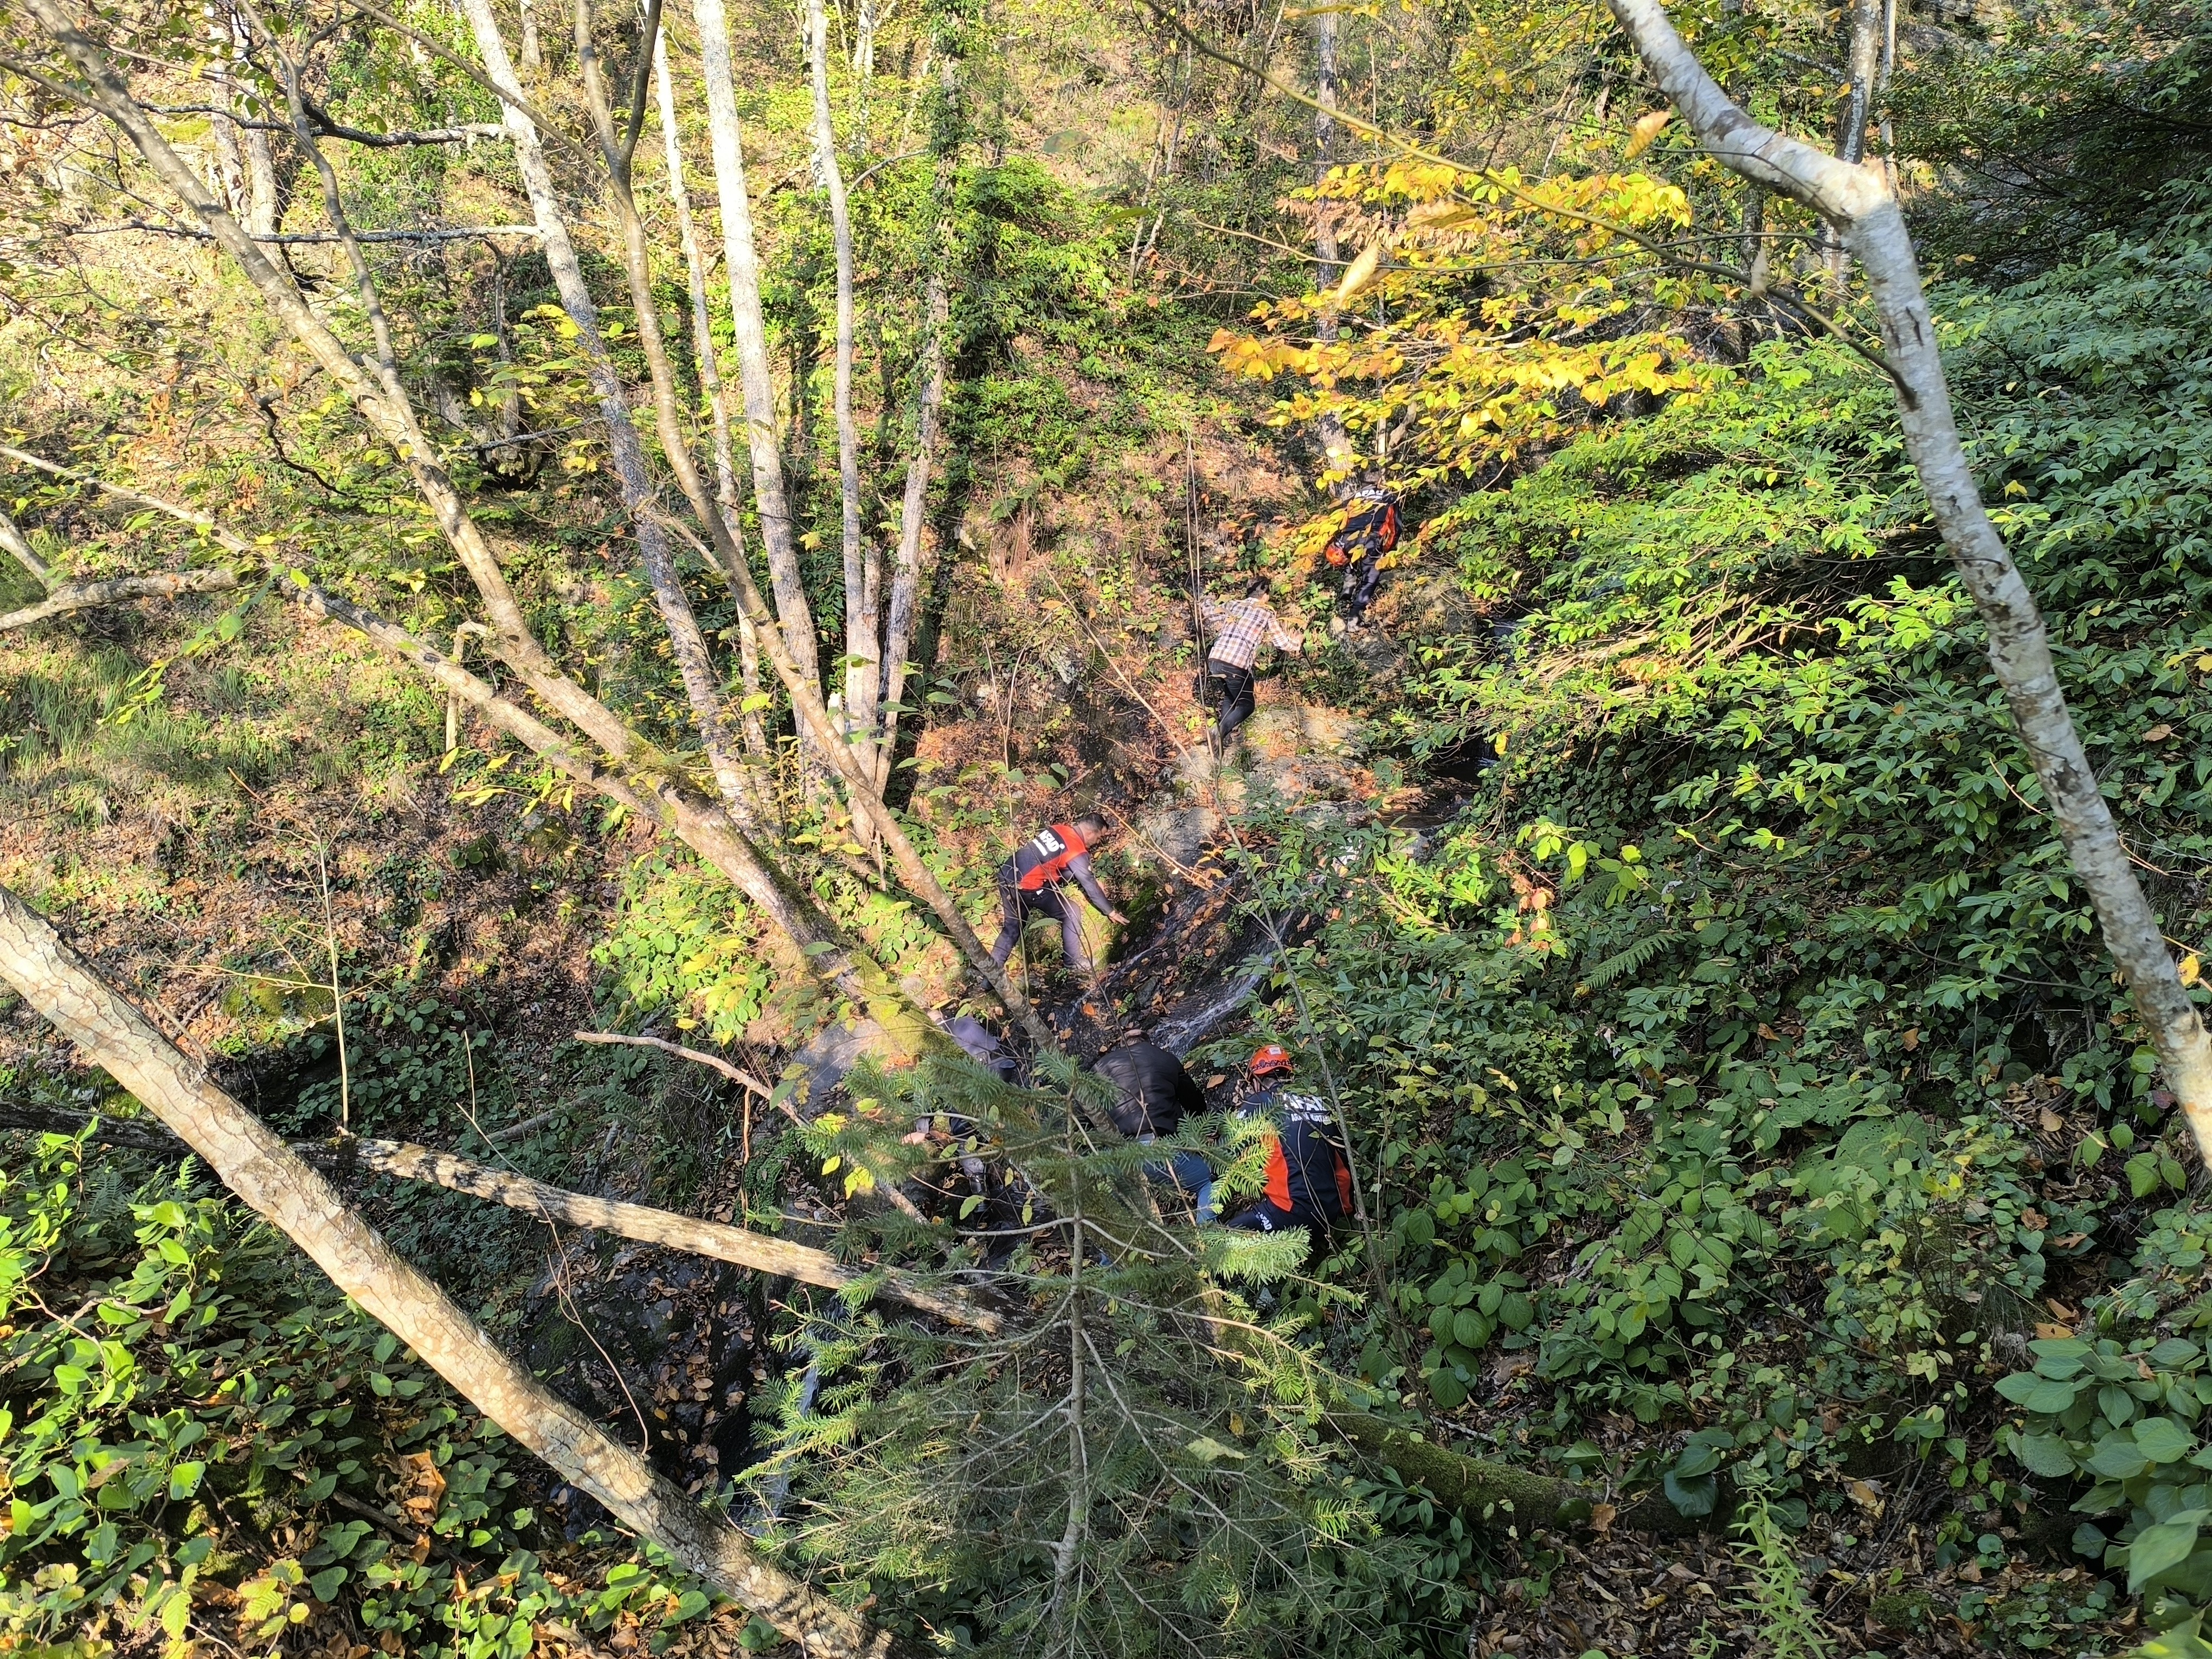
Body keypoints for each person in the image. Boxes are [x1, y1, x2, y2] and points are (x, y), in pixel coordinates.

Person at [1220, 1043, 1353, 1237]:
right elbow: (1341, 1163)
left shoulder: (1259, 1102)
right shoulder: (1319, 1102)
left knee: (1225, 1236)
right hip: (1331, 1213)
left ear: (1257, 1080)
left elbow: (1224, 1153)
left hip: (1292, 1212)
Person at [1095, 1034, 1214, 1221]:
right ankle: (1208, 1241)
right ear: (1149, 1044)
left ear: (1120, 1047)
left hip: (1120, 1159)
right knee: (1208, 1182)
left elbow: (1085, 1118)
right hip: (1161, 1150)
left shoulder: (1100, 1068)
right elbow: (1194, 1101)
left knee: (1117, 1218)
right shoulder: (1164, 1058)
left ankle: (1114, 1251)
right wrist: (1200, 1131)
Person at [989, 814, 1128, 975]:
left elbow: (1059, 865)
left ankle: (990, 976)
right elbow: (1089, 883)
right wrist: (1110, 911)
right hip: (1028, 886)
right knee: (1072, 912)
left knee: (1012, 929)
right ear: (1090, 833)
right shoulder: (1076, 848)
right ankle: (1073, 962)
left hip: (1007, 874)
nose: (1098, 842)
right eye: (1099, 837)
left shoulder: (1059, 829)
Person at [1198, 576, 1303, 741]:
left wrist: (1208, 600)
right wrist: (1296, 643)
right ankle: (1219, 731)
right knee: (1247, 705)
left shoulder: (1233, 605)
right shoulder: (1266, 612)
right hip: (1236, 665)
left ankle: (1227, 738)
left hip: (1215, 661)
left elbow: (1209, 612)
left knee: (1231, 697)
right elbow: (1281, 642)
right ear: (1265, 594)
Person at [1323, 481, 1403, 628]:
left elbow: (1345, 519)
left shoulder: (1358, 494)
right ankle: (1354, 619)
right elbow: (1396, 528)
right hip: (1371, 540)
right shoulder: (1390, 497)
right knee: (1370, 581)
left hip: (1347, 538)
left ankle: (1347, 592)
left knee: (1346, 560)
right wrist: (1387, 549)